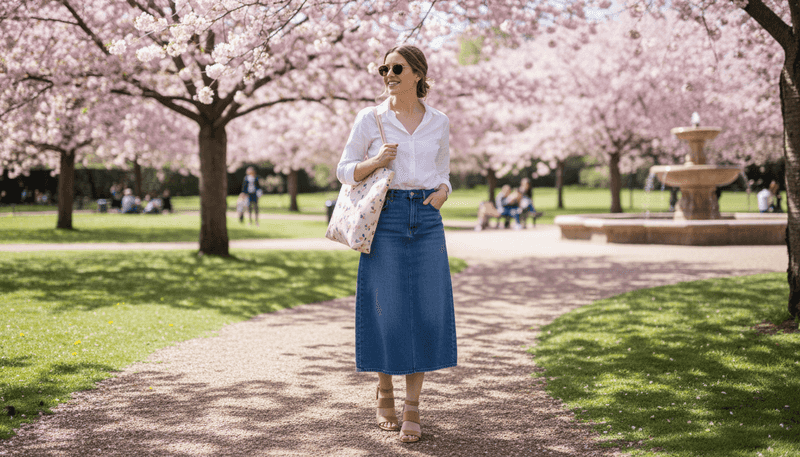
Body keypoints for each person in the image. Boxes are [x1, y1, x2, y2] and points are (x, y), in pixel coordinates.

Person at [336, 44, 456, 444]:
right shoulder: (369, 119)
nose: (388, 73)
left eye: (397, 68)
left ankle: (413, 405)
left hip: (425, 216)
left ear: (418, 74)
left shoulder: (439, 121)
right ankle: (384, 390)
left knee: (425, 310)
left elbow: (443, 169)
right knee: (385, 308)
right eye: (383, 68)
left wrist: (443, 191)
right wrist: (375, 162)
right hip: (384, 217)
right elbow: (345, 170)